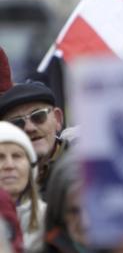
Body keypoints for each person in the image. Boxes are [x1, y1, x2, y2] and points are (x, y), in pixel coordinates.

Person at [0, 83, 69, 199]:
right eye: (17, 123)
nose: (30, 128)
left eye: (38, 116)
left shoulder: (83, 171)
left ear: (57, 119)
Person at [0, 122, 44, 253]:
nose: (9, 165)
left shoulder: (50, 218)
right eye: (0, 157)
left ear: (31, 167)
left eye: (17, 156)